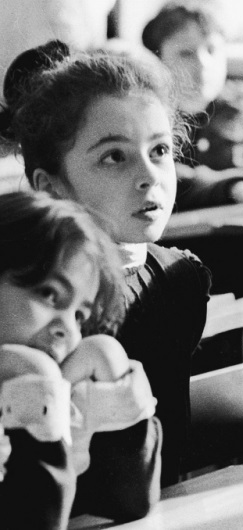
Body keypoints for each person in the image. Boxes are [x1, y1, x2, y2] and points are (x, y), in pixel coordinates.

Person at [0, 40, 212, 485]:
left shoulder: (180, 278)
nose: (149, 176)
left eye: (159, 151)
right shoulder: (31, 301)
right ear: (50, 186)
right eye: (114, 157)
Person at [0, 191, 161, 529]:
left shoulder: (53, 399)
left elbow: (130, 503)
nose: (68, 331)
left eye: (79, 316)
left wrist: (109, 363)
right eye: (49, 294)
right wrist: (37, 380)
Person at [142, 2, 243, 211]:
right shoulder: (150, 113)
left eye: (212, 50)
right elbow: (161, 176)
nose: (203, 65)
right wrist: (230, 186)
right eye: (186, 53)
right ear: (158, 59)